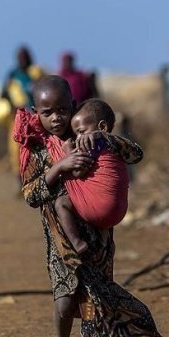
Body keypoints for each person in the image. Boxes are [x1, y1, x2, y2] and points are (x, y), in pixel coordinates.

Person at [14, 76, 169, 337]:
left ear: (73, 105)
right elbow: (30, 195)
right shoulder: (39, 149)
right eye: (48, 112)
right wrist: (60, 167)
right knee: (63, 303)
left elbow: (136, 154)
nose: (57, 118)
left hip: (97, 237)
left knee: (91, 306)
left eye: (62, 109)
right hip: (61, 239)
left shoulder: (90, 130)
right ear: (37, 112)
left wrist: (104, 138)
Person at [52, 98, 130, 256]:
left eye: (81, 131)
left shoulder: (94, 142)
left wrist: (68, 153)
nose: (79, 139)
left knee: (61, 203)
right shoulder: (114, 145)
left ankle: (76, 242)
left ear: (102, 127)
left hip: (101, 209)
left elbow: (78, 172)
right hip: (119, 211)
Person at [1, 45, 45, 175]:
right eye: (20, 57)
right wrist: (13, 106)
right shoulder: (13, 75)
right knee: (16, 148)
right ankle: (19, 179)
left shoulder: (36, 72)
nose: (23, 60)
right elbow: (3, 93)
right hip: (18, 117)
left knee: (38, 147)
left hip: (36, 117)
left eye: (25, 57)